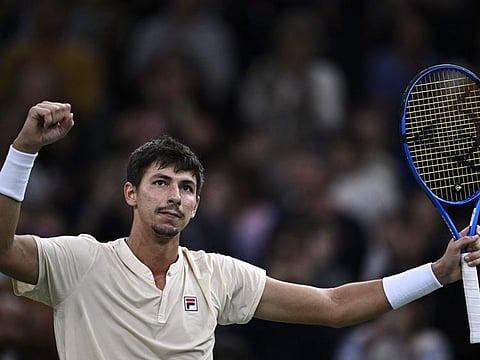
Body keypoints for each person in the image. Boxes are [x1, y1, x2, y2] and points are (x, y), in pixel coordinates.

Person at [0, 101, 479, 360]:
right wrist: (23, 150)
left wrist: (436, 273)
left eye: (186, 188)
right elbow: (3, 249)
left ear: (197, 205)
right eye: (160, 183)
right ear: (131, 194)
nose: (174, 196)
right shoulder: (82, 261)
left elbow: (332, 307)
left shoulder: (217, 275)